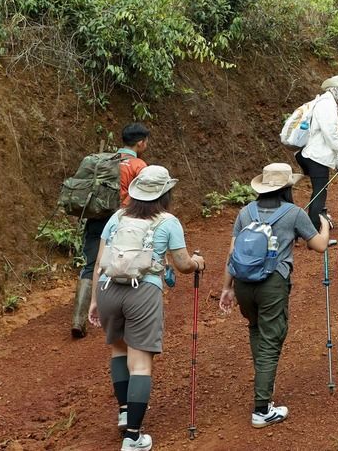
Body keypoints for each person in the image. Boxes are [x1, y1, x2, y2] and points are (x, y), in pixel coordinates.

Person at [88, 166, 205, 451]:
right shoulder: (168, 222)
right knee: (140, 362)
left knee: (119, 350)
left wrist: (93, 300)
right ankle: (133, 437)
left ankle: (125, 411)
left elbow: (99, 261)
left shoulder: (117, 217)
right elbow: (182, 264)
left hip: (106, 289)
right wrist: (198, 263)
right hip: (142, 292)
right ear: (166, 193)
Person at [218, 163, 331, 428]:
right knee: (272, 338)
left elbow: (231, 253)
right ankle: (261, 408)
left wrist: (227, 288)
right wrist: (324, 225)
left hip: (244, 283)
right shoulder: (293, 213)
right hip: (273, 284)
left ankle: (263, 384)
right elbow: (319, 245)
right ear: (287, 187)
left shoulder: (246, 212)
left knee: (257, 330)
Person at [72, 123, 150, 339]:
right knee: (125, 260)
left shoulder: (103, 160)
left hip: (96, 217)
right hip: (121, 220)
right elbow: (143, 196)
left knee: (91, 263)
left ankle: (78, 319)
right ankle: (122, 311)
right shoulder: (138, 165)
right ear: (141, 142)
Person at [295, 75, 338, 224]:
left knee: (319, 192)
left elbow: (327, 138)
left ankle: (310, 227)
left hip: (314, 154)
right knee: (319, 194)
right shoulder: (327, 105)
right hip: (316, 157)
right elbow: (331, 135)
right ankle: (314, 232)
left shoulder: (323, 102)